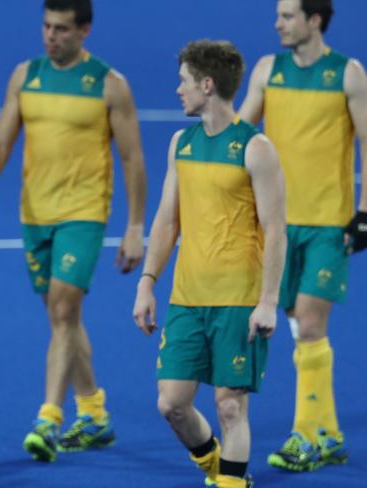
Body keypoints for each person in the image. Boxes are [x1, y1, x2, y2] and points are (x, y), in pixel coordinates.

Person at [0, 0, 146, 463]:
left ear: (84, 31)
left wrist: (135, 225)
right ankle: (95, 413)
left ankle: (48, 418)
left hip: (83, 213)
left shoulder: (109, 85)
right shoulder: (26, 76)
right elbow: (2, 141)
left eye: (61, 29)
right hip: (34, 215)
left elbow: (131, 158)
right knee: (62, 318)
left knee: (63, 308)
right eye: (46, 27)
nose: (50, 36)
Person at [133, 40, 287, 488]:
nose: (177, 89)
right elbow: (166, 220)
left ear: (206, 83)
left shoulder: (255, 149)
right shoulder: (181, 144)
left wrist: (269, 302)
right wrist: (147, 282)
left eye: (183, 81)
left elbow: (276, 229)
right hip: (187, 298)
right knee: (172, 404)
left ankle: (230, 482)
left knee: (230, 407)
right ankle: (215, 466)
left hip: (238, 300)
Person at [239, 0, 367, 472]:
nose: (277, 23)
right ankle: (330, 432)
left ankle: (303, 438)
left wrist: (366, 210)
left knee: (310, 324)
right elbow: (241, 129)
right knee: (300, 329)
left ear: (314, 20)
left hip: (328, 225)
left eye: (287, 15)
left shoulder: (348, 74)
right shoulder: (268, 70)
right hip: (278, 227)